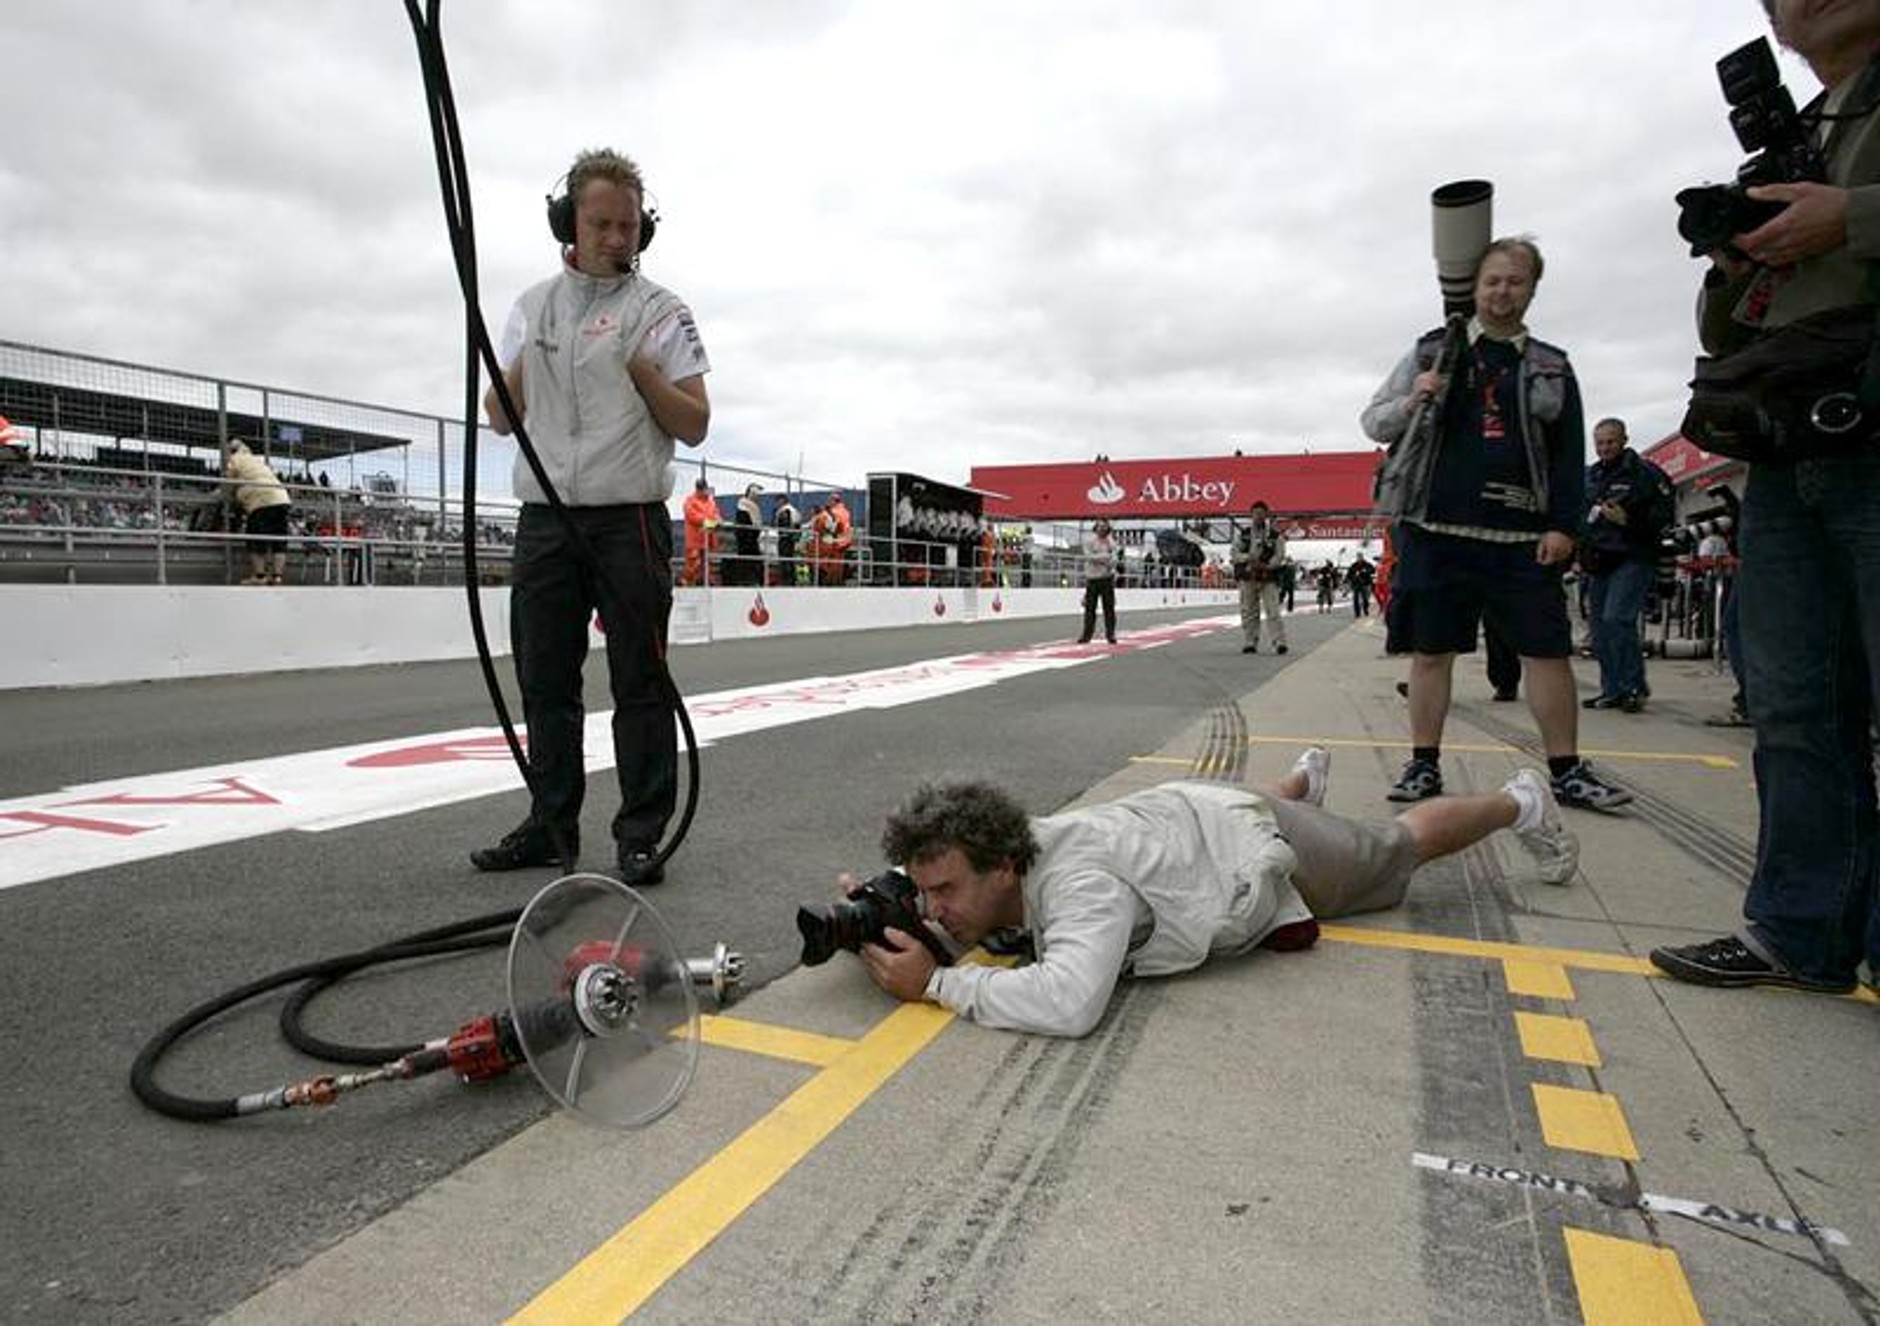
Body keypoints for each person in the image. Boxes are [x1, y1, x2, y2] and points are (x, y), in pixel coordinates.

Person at [1652, 0, 1880, 995]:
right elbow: (1726, 335)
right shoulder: (1801, 137)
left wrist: (1851, 215)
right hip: (1792, 444)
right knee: (1790, 705)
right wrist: (1734, 257)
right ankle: (1799, 927)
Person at [853, 750, 1577, 1037]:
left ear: (1004, 868)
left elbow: (1070, 1006)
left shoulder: (1082, 889)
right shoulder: (1005, 844)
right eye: (923, 893)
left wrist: (940, 984)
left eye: (943, 891)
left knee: (1395, 848)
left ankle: (1520, 802)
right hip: (1185, 814)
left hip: (1245, 841)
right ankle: (1299, 785)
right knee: (1241, 805)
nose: (933, 909)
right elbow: (957, 902)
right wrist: (883, 913)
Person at [472, 147, 711, 886]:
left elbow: (696, 423)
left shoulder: (661, 312)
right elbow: (499, 418)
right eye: (602, 223)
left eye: (629, 225)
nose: (617, 238)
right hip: (544, 518)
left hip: (629, 517)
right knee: (545, 681)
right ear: (566, 222)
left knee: (640, 680)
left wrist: (643, 374)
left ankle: (640, 833)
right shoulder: (531, 307)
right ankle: (550, 823)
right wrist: (515, 375)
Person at [1360, 236, 1630, 811]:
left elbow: (1566, 453)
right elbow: (1373, 422)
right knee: (1431, 652)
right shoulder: (1432, 351)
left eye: (1515, 280)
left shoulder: (1552, 365)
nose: (1502, 290)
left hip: (1520, 537)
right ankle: (1423, 765)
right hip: (1435, 530)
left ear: (1532, 289)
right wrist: (1414, 399)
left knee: (1547, 652)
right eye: (1492, 280)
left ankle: (1567, 770)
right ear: (1474, 286)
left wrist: (1564, 527)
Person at [1579, 418, 1674, 713]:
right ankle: (1612, 689)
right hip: (1599, 560)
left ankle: (1634, 686)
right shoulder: (1590, 476)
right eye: (1600, 443)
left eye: (1610, 441)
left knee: (1617, 619)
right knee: (1599, 627)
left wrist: (1629, 521)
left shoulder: (1645, 473)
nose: (1604, 448)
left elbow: (1664, 516)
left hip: (1633, 556)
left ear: (1624, 440)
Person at [223, 439, 291, 585]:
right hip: (281, 498)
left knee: (256, 538)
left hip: (260, 501)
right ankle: (277, 577)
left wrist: (227, 496)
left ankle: (259, 577)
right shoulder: (256, 460)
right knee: (279, 540)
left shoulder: (235, 459)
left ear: (231, 451)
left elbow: (228, 484)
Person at [1230, 500, 1289, 654]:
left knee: (1273, 611)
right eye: (1255, 514)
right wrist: (1248, 558)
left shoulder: (1275, 536)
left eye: (1261, 514)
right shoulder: (1243, 534)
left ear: (1266, 515)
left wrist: (1268, 565)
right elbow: (1234, 554)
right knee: (1249, 611)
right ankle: (1250, 641)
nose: (1258, 517)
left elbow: (1280, 555)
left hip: (1268, 577)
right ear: (1251, 515)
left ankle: (1279, 642)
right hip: (1248, 577)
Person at [1075, 518, 1119, 644]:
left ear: (1108, 528)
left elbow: (1114, 559)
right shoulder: (1089, 541)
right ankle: (1087, 635)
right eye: (1099, 526)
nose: (1102, 529)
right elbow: (1088, 556)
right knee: (1090, 609)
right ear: (1095, 528)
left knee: (1109, 609)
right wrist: (1105, 557)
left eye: (1104, 527)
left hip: (1106, 578)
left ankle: (1110, 634)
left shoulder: (1112, 542)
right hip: (1092, 579)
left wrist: (1100, 558)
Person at [681, 477, 718, 586]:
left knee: (707, 565)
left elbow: (716, 514)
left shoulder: (711, 502)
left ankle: (705, 584)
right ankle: (687, 584)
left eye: (703, 488)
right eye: (700, 488)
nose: (703, 491)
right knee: (693, 565)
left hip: (708, 539)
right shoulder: (689, 501)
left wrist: (716, 521)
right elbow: (692, 516)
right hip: (695, 540)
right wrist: (708, 521)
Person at [728, 482, 763, 587]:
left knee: (754, 563)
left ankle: (753, 581)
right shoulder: (744, 508)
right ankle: (749, 582)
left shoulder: (751, 507)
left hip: (751, 541)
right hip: (747, 543)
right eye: (757, 495)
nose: (758, 497)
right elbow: (745, 528)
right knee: (749, 563)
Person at [773, 494, 800, 586]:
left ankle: (786, 581)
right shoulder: (793, 510)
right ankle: (791, 580)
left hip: (785, 538)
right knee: (790, 560)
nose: (777, 503)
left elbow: (783, 525)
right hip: (791, 539)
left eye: (778, 501)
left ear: (782, 500)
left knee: (784, 560)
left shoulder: (785, 511)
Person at [1346, 553, 1375, 617]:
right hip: (1356, 584)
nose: (1359, 558)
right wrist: (1353, 577)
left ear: (1362, 557)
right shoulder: (1354, 565)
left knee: (1365, 599)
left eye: (1360, 557)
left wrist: (1365, 572)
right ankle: (1357, 613)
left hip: (1365, 583)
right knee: (1355, 599)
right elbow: (1348, 575)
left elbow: (1373, 570)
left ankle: (1365, 609)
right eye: (1358, 557)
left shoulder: (1367, 564)